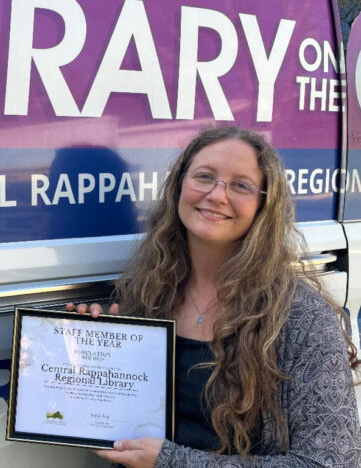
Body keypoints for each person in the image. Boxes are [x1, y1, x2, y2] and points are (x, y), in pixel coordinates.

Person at [67, 126, 360, 467]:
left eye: (240, 185)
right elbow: (118, 420)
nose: (217, 195)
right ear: (180, 185)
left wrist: (171, 461)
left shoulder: (300, 316)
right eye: (204, 177)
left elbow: (331, 462)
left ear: (264, 205)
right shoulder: (147, 291)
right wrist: (83, 350)